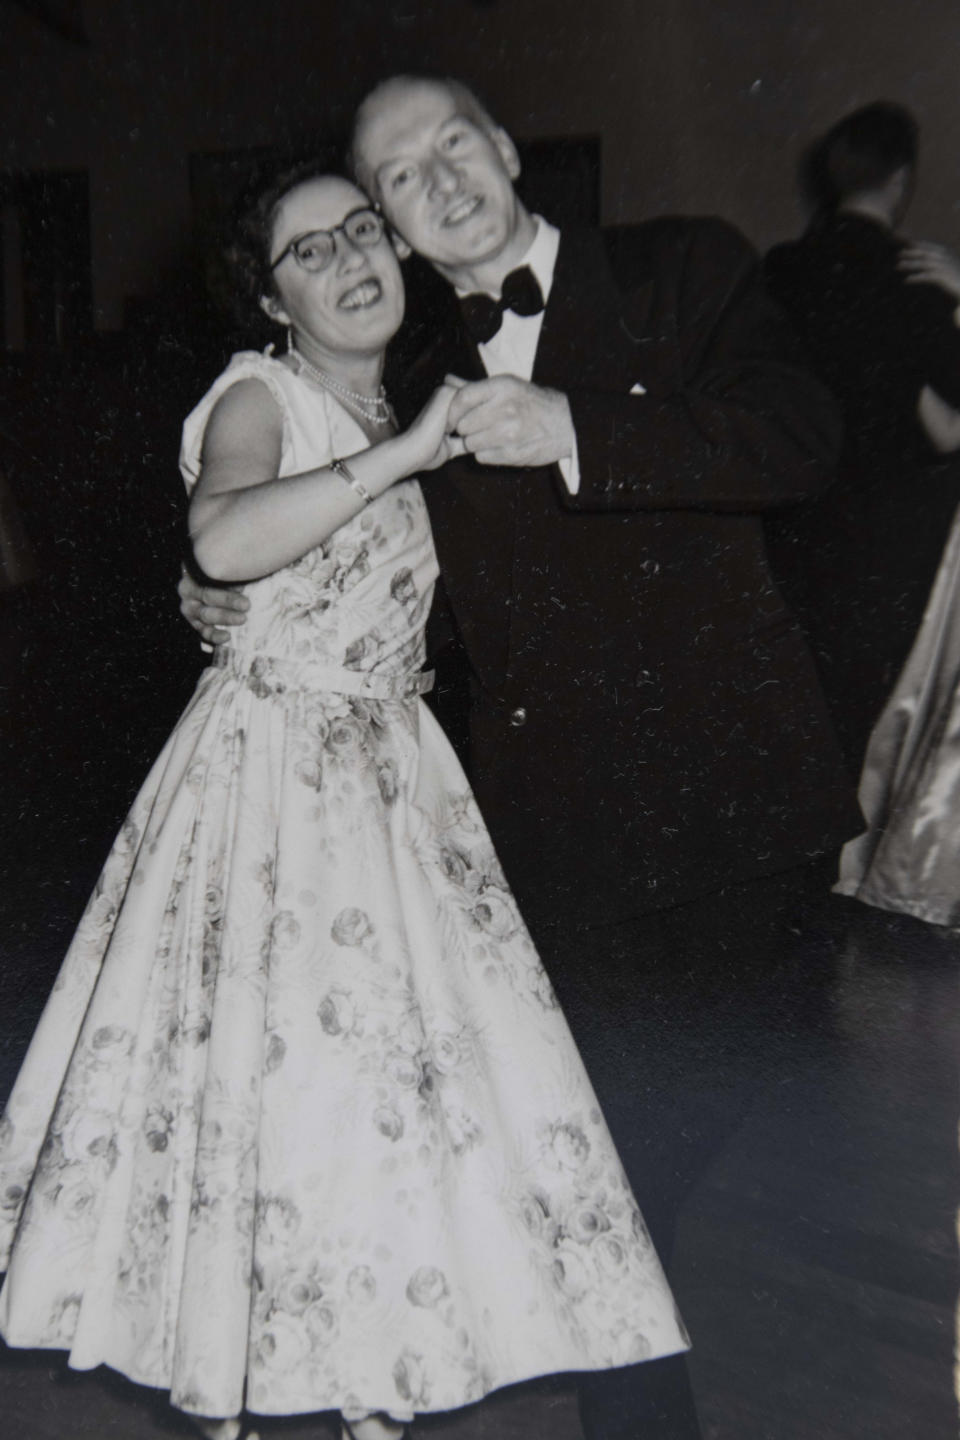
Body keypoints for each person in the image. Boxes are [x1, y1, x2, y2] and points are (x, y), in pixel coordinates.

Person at [181, 74, 861, 1440]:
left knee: (655, 1164)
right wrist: (215, 598)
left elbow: (808, 438)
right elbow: (313, 530)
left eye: (452, 145)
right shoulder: (407, 385)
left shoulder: (684, 266)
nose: (435, 181)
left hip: (744, 817)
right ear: (386, 225)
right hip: (558, 849)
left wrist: (580, 432)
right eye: (396, 177)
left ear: (504, 148)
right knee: (601, 1188)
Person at [0, 164, 689, 1440]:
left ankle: (367, 1391)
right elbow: (222, 538)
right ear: (270, 297)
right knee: (294, 1113)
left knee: (393, 1124)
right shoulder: (265, 393)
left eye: (364, 230)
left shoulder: (416, 412)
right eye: (309, 251)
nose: (352, 258)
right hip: (276, 792)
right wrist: (378, 479)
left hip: (397, 790)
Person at [764, 101, 960, 769]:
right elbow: (948, 431)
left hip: (791, 530)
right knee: (874, 730)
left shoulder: (779, 271)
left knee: (800, 722)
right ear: (900, 179)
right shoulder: (918, 277)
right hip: (890, 541)